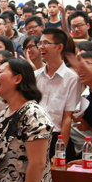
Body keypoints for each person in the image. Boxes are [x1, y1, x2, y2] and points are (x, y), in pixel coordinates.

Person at [35, 28, 82, 159]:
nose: (41, 47)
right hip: (34, 135)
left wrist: (60, 151)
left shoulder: (72, 78)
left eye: (46, 43)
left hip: (55, 137)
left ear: (59, 47)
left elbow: (67, 117)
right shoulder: (35, 76)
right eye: (40, 43)